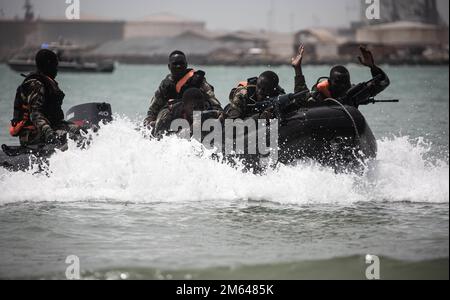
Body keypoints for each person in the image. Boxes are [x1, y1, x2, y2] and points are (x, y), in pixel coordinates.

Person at [9, 49, 83, 146]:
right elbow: (35, 114)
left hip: (52, 127)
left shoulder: (46, 83)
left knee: (86, 131)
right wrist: (49, 134)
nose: (57, 69)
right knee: (74, 138)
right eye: (55, 65)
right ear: (49, 65)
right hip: (32, 134)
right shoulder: (35, 84)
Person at [144, 51, 223, 128]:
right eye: (175, 64)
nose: (178, 66)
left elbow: (212, 100)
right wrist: (149, 123)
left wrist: (219, 115)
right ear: (169, 66)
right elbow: (152, 110)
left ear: (186, 64)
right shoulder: (165, 85)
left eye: (181, 63)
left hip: (198, 117)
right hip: (174, 120)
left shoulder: (197, 79)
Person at [309, 46, 390, 105]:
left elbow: (384, 82)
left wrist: (372, 67)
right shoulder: (318, 94)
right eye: (338, 83)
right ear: (329, 82)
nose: (342, 86)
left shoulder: (354, 93)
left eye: (345, 83)